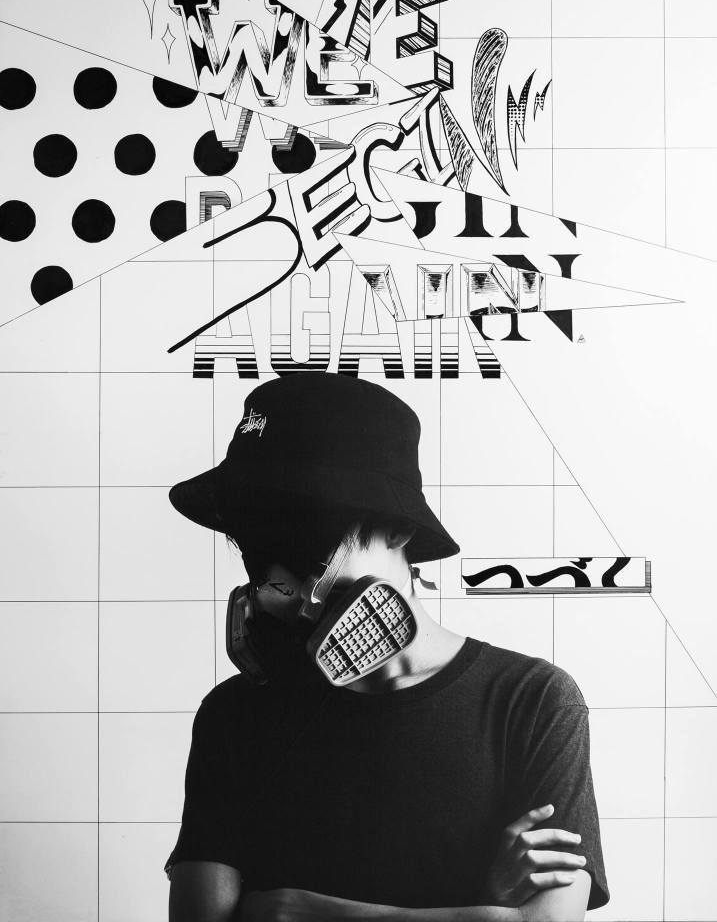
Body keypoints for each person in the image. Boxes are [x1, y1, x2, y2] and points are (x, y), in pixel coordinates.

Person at [165, 373, 609, 921]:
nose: (278, 583)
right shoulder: (235, 715)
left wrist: (297, 909)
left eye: (303, 534)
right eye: (257, 544)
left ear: (397, 528)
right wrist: (482, 911)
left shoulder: (531, 701)